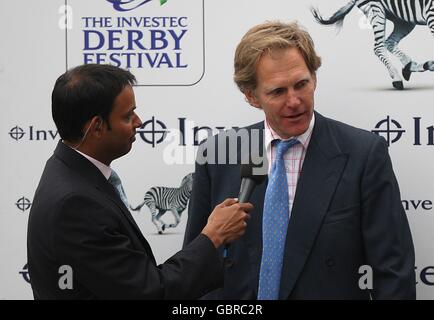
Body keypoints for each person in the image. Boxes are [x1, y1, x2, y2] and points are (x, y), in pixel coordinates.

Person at [183, 21, 416, 299]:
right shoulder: (219, 155)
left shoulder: (363, 154)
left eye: (301, 84)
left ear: (314, 79)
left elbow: (394, 271)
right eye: (278, 91)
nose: (295, 101)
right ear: (251, 96)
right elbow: (196, 267)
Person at [27, 64, 253, 299]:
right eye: (127, 116)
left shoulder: (65, 169)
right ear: (97, 127)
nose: (139, 122)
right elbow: (149, 292)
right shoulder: (75, 203)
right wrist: (213, 236)